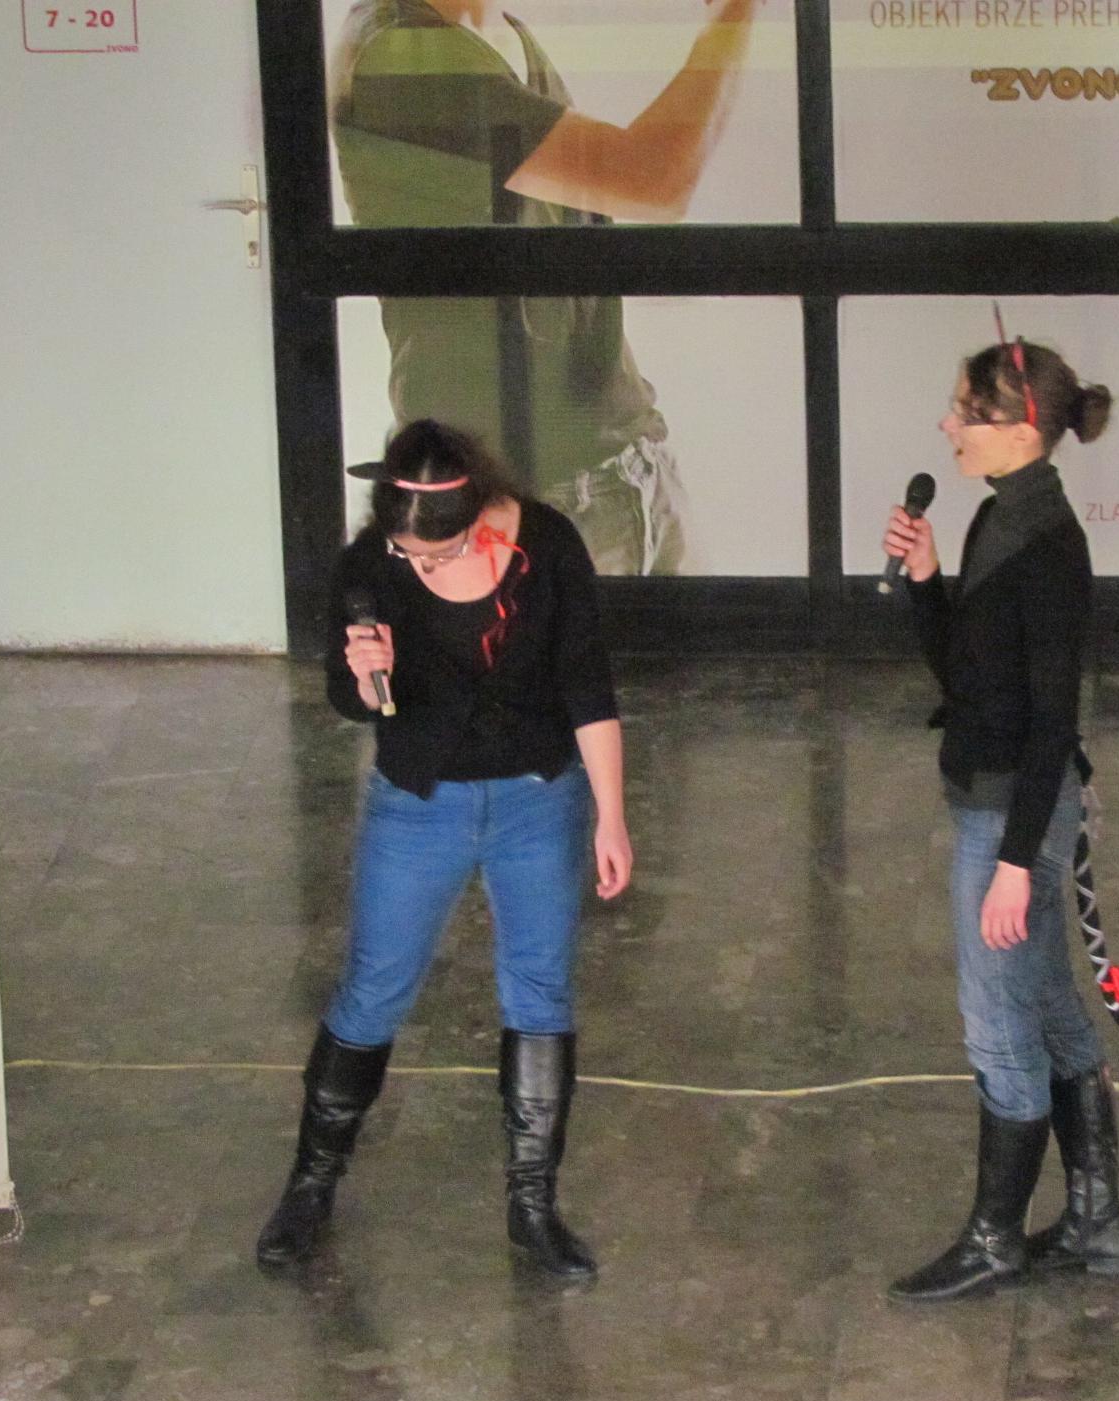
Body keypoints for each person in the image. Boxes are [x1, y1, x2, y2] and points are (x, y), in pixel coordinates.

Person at [256, 419, 632, 1281]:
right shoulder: (369, 565)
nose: (422, 567)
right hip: (418, 804)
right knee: (373, 989)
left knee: (540, 990)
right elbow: (348, 700)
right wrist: (367, 678)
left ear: (479, 512)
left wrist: (611, 816)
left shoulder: (547, 546)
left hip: (539, 798)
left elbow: (588, 683)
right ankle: (310, 1186)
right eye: (411, 555)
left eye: (442, 552)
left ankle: (532, 1208)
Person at [329, 0, 768, 574]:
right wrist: (735, 12)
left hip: (626, 467)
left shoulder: (501, 34)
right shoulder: (405, 55)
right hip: (538, 500)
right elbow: (655, 178)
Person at [880, 335, 1119, 1304]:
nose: (948, 424)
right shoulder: (999, 516)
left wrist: (1017, 863)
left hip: (1011, 816)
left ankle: (995, 1240)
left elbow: (1051, 722)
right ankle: (1096, 1222)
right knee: (1050, 1003)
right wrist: (925, 581)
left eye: (966, 411)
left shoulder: (1049, 550)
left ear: (1023, 429)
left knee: (998, 1029)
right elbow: (966, 676)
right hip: (996, 800)